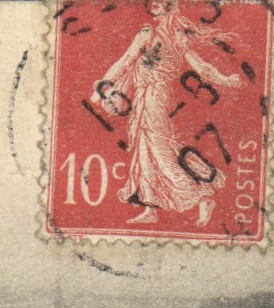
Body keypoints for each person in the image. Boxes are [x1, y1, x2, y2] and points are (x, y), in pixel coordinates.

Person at [93, 0, 243, 226]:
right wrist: (105, 85)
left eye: (160, 2)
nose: (154, 4)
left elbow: (201, 67)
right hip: (142, 96)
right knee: (145, 151)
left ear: (170, 6)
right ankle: (151, 207)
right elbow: (125, 61)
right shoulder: (147, 33)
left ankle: (202, 195)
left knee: (161, 150)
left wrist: (226, 81)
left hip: (157, 96)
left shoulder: (179, 35)